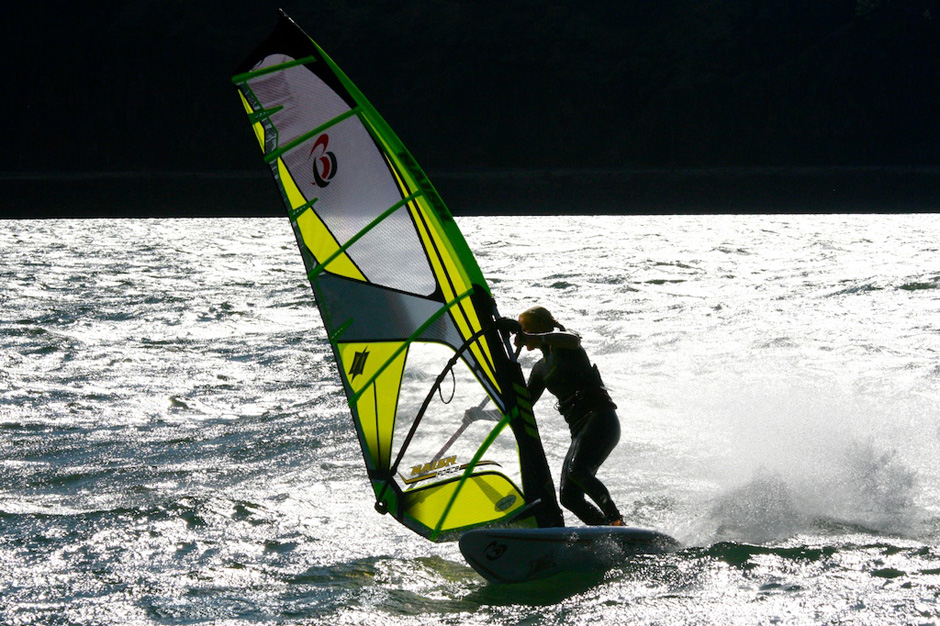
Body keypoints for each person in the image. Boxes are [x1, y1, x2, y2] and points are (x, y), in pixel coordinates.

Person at [513, 306, 625, 526]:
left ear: (541, 327)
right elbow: (522, 406)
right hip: (579, 431)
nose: (522, 334)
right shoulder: (539, 369)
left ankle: (616, 521)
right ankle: (608, 533)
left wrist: (534, 337)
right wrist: (480, 415)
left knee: (578, 471)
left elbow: (572, 340)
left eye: (525, 329)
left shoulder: (566, 345)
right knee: (569, 497)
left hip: (600, 418)